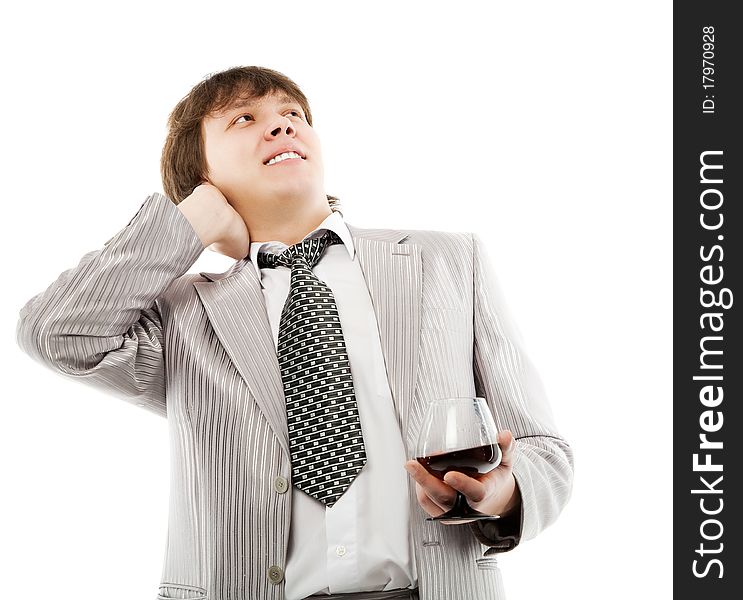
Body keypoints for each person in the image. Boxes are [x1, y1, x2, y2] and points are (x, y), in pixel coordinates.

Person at [16, 66, 574, 600]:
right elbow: (55, 332)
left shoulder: (449, 261)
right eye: (244, 119)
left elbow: (541, 446)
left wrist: (505, 493)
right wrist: (188, 224)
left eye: (293, 113)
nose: (283, 124)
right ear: (201, 177)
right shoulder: (181, 314)